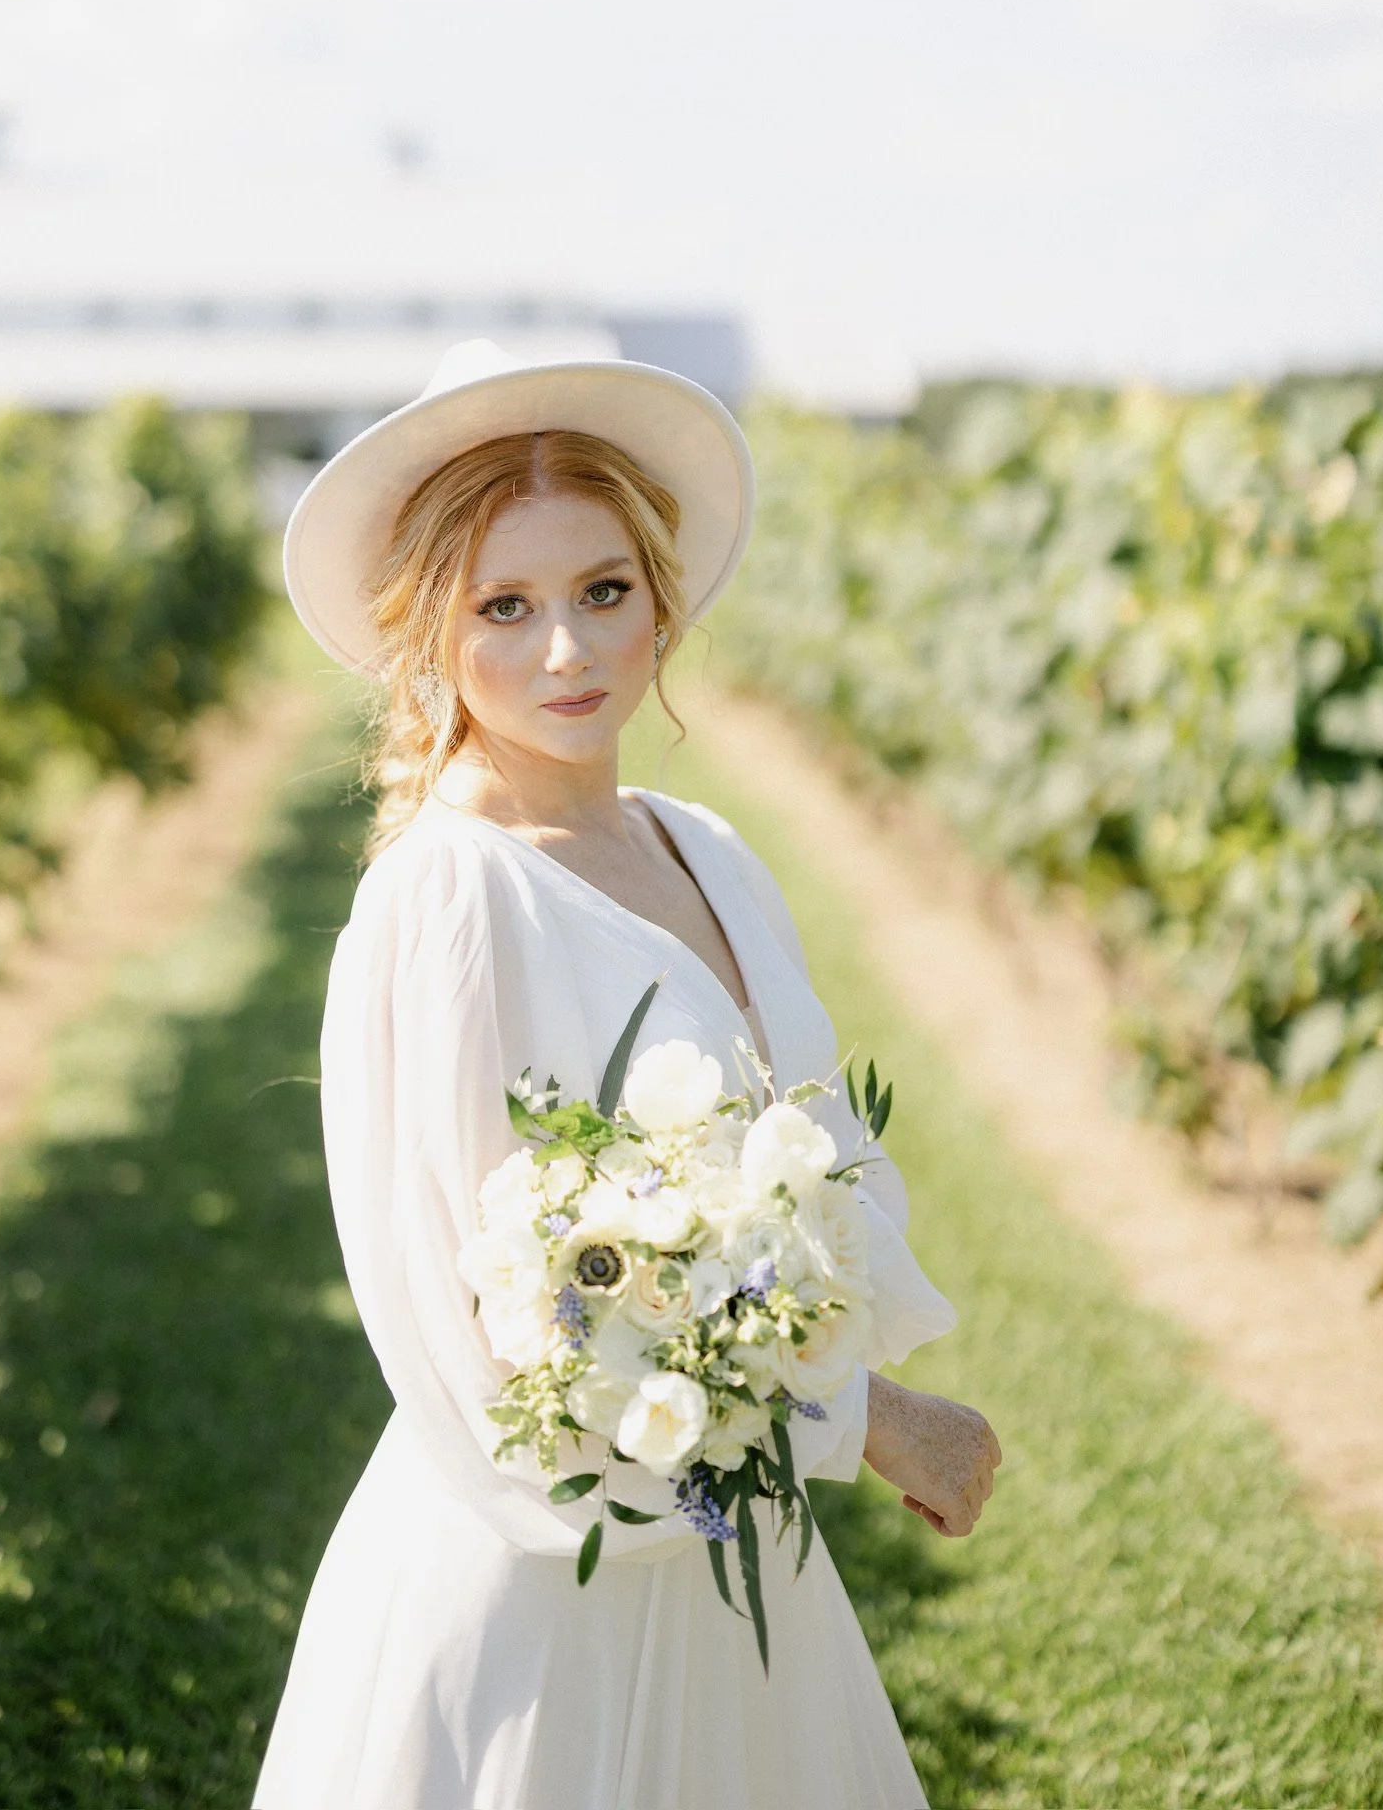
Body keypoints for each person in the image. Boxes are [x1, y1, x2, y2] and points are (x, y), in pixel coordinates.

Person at [256, 340, 1000, 1810]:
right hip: (548, 1586)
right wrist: (868, 1424)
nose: (566, 653)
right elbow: (502, 1335)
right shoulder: (448, 897)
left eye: (603, 591)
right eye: (505, 607)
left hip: (739, 1562)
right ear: (428, 636)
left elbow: (812, 1174)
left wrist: (826, 1365)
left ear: (662, 595)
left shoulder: (702, 846)